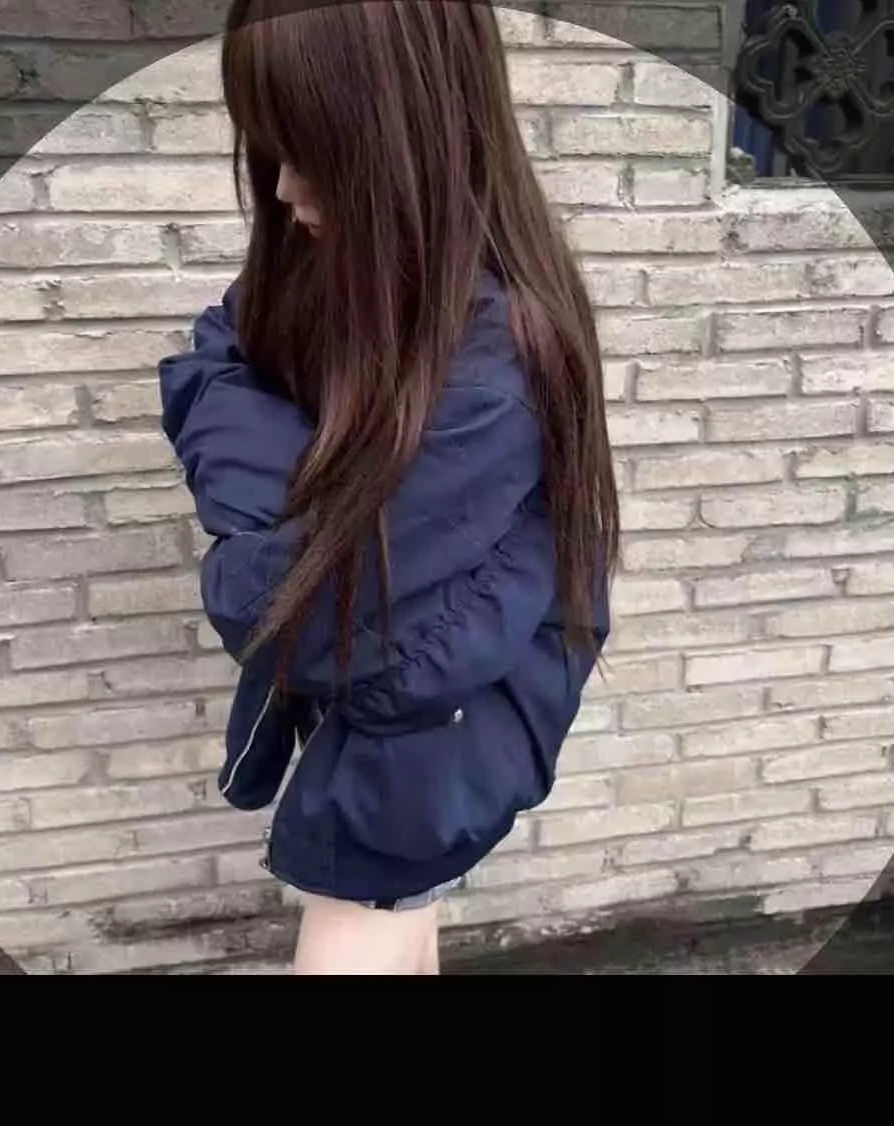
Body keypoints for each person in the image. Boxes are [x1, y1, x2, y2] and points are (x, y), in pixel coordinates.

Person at [157, 0, 620, 975]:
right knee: (406, 927)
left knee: (370, 923)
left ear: (409, 135)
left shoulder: (492, 360)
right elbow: (211, 356)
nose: (283, 187)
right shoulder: (343, 272)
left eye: (312, 149)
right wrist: (305, 505)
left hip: (425, 752)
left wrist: (279, 526)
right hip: (398, 727)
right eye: (270, 147)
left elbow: (291, 613)